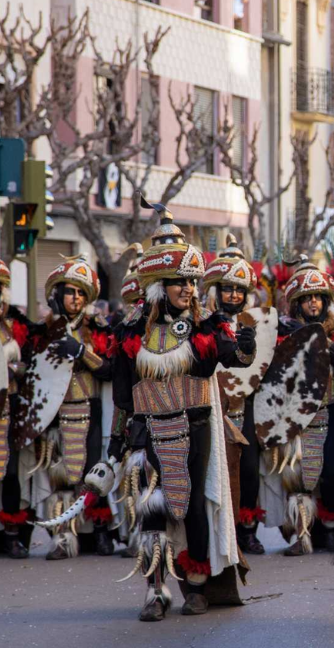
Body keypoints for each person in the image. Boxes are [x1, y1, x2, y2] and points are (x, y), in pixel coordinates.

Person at [111, 200, 256, 620]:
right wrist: (116, 442)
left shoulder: (206, 325)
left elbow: (233, 358)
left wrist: (244, 347)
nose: (189, 289)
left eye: (193, 282)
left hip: (197, 426)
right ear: (159, 284)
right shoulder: (130, 334)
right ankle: (155, 592)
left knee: (192, 507)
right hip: (149, 429)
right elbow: (123, 394)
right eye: (181, 282)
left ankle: (195, 585)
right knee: (153, 510)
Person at [269, 257, 334, 556]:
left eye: (319, 297)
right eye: (307, 299)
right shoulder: (282, 335)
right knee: (299, 477)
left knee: (332, 474)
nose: (314, 303)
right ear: (297, 304)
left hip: (331, 411)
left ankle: (331, 529)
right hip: (295, 416)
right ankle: (302, 533)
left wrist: (333, 350)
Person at [33, 255, 115, 560]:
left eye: (81, 293)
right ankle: (63, 539)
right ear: (58, 294)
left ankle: (101, 534)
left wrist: (82, 351)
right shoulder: (45, 330)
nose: (76, 298)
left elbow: (108, 369)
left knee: (96, 474)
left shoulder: (98, 327)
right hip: (55, 414)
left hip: (90, 411)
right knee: (62, 480)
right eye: (70, 291)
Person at [202, 234, 269, 556]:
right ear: (216, 291)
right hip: (211, 407)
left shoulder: (263, 323)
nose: (232, 294)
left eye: (238, 290)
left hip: (248, 408)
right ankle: (217, 528)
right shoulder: (203, 323)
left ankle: (247, 531)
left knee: (249, 471)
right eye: (227, 288)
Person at [0, 260, 36, 558]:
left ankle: (12, 534)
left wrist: (17, 369)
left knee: (10, 472)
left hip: (8, 410)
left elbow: (31, 364)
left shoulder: (15, 326)